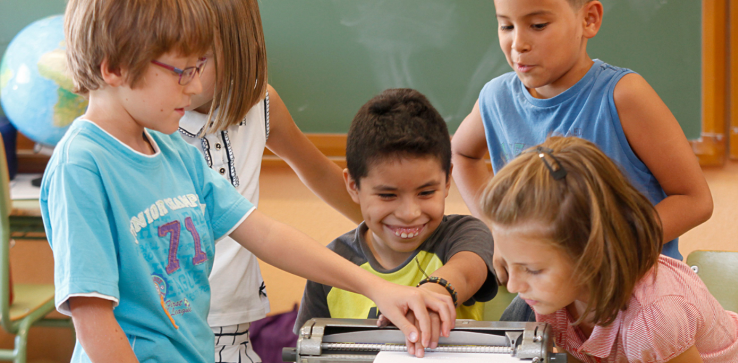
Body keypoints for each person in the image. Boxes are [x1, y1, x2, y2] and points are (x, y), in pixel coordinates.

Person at [42, 1, 454, 362]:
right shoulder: (82, 165)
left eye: (199, 68)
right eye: (183, 71)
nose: (198, 85)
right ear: (114, 67)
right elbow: (91, 314)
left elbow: (266, 234)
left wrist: (378, 287)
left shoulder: (174, 152)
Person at [452, 0, 712, 282]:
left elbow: (694, 200)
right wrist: (498, 231)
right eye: (506, 25)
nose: (518, 44)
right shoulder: (496, 98)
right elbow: (461, 155)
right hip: (548, 295)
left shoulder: (623, 96)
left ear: (589, 19)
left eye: (538, 25)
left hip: (634, 289)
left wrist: (612, 246)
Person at [479, 136, 738, 363]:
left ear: (593, 252)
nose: (515, 286)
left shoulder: (654, 317)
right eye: (506, 263)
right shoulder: (552, 298)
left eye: (532, 269)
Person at [178, 1, 361, 360]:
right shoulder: (152, 122)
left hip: (235, 327)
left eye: (198, 60)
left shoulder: (260, 103)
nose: (184, 74)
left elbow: (318, 171)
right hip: (171, 324)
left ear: (236, 50)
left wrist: (382, 229)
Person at [295, 88, 498, 352]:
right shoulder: (331, 268)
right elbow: (309, 350)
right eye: (387, 195)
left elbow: (465, 270)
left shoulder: (464, 234)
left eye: (426, 192)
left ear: (448, 180)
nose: (409, 212)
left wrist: (432, 294)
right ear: (353, 186)